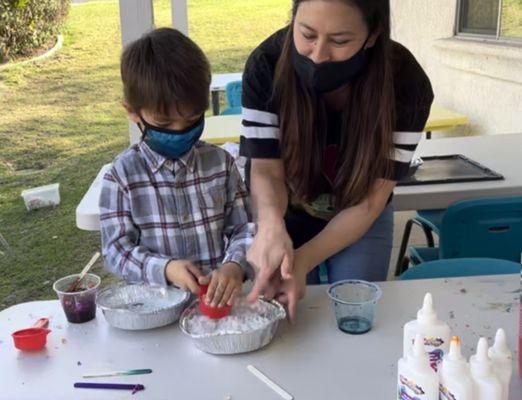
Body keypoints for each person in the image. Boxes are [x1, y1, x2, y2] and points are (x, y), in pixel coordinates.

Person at [240, 0, 434, 320]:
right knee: (292, 314)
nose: (318, 55)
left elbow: (371, 203)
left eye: (340, 41)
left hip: (360, 211)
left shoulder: (406, 84)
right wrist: (271, 228)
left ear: (372, 36)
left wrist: (304, 260)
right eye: (307, 34)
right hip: (287, 209)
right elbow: (265, 169)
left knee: (355, 314)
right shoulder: (266, 64)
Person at [100, 28, 254, 308]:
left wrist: (235, 264)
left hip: (217, 306)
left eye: (192, 119)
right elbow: (116, 251)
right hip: (156, 307)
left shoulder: (221, 165)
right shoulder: (122, 176)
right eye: (164, 122)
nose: (180, 131)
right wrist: (165, 268)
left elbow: (244, 228)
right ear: (132, 111)